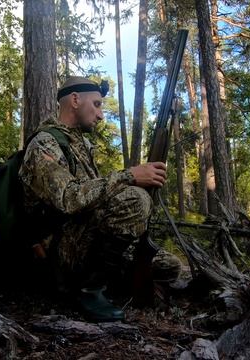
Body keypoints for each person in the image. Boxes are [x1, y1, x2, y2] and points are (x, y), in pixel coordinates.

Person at [19, 76, 181, 322]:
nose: (100, 115)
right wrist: (130, 176)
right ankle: (88, 289)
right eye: (96, 104)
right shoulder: (45, 143)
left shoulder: (80, 145)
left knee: (168, 265)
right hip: (57, 249)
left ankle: (106, 278)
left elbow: (95, 196)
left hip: (85, 241)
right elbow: (68, 198)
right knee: (135, 200)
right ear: (75, 100)